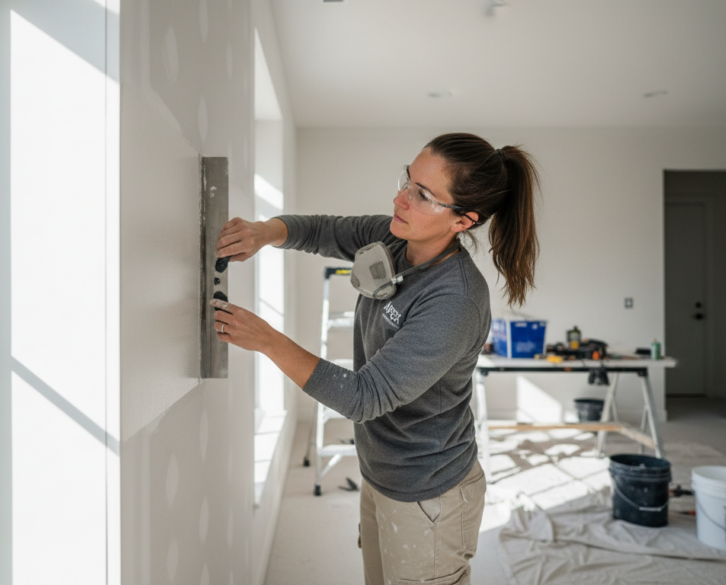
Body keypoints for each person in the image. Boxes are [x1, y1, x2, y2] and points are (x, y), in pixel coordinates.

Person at [211, 132, 540, 585]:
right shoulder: (393, 237)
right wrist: (265, 232)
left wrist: (268, 340)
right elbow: (325, 231)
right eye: (408, 180)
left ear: (463, 221)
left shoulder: (454, 299)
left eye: (423, 195)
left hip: (430, 494)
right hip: (381, 473)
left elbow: (364, 397)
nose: (400, 198)